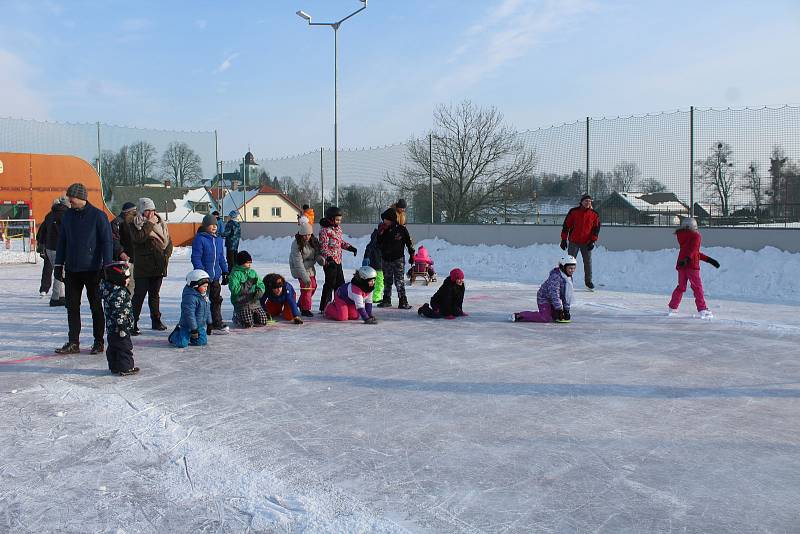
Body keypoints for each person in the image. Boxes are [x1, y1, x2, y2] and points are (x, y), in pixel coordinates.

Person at [54, 183, 113, 355]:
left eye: (71, 198)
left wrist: (106, 265)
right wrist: (58, 265)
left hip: (93, 270)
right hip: (72, 269)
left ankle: (98, 341)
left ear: (81, 198)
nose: (69, 202)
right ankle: (74, 342)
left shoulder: (98, 216)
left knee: (96, 306)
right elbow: (62, 241)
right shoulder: (67, 216)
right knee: (72, 307)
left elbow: (106, 242)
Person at [129, 197, 173, 334]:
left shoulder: (161, 223)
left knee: (155, 295)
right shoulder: (135, 224)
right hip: (143, 266)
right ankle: (132, 322)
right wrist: (149, 224)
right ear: (141, 211)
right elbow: (139, 238)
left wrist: (166, 254)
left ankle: (156, 320)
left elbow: (168, 240)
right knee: (139, 295)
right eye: (147, 211)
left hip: (158, 265)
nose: (151, 214)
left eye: (153, 210)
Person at [668, 217, 719, 319]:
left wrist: (709, 260)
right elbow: (692, 251)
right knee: (697, 288)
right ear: (693, 226)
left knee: (681, 287)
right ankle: (702, 309)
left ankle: (673, 307)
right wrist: (688, 259)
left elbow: (693, 251)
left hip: (681, 264)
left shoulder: (682, 236)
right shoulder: (696, 236)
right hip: (691, 266)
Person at [191, 213, 230, 334]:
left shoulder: (218, 240)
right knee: (204, 302)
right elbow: (196, 257)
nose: (214, 227)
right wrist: (201, 273)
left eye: (216, 224)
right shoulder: (200, 239)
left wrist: (225, 271)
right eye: (211, 225)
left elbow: (221, 258)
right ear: (205, 225)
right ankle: (203, 324)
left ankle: (216, 323)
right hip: (204, 279)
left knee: (216, 300)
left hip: (215, 277)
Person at [99, 261, 138, 375]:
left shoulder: (109, 289)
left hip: (111, 327)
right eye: (126, 278)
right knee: (124, 347)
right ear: (117, 278)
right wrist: (122, 326)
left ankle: (114, 366)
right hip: (120, 327)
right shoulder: (119, 292)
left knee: (113, 347)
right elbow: (119, 311)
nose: (128, 280)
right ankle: (126, 367)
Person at [511, 256, 576, 323]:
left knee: (555, 317)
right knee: (545, 318)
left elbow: (567, 295)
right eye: (570, 268)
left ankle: (553, 311)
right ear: (563, 267)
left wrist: (566, 310)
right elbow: (554, 294)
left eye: (574, 268)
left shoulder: (567, 278)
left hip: (553, 300)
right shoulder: (555, 277)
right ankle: (519, 315)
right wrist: (559, 309)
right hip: (544, 298)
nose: (572, 270)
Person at [318, 206, 357, 312]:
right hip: (329, 262)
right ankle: (324, 306)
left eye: (340, 219)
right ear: (330, 219)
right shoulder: (324, 231)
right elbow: (323, 247)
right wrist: (329, 257)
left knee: (340, 284)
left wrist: (350, 247)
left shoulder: (338, 229)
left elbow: (340, 243)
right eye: (337, 219)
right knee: (330, 283)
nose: (339, 222)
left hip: (338, 261)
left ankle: (339, 303)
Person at [560, 194, 600, 290]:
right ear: (581, 202)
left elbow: (596, 229)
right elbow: (566, 225)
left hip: (587, 243)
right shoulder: (573, 212)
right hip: (574, 241)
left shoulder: (594, 214)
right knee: (570, 262)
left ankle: (588, 282)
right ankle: (568, 281)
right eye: (586, 201)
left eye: (589, 201)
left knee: (588, 262)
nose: (588, 203)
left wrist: (593, 241)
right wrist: (563, 239)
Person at [377, 208, 414, 309]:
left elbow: (409, 243)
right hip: (386, 259)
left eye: (386, 219)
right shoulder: (382, 229)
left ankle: (403, 301)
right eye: (383, 219)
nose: (384, 221)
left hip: (398, 259)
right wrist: (379, 233)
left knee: (399, 280)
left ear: (391, 219)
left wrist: (412, 255)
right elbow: (378, 243)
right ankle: (386, 299)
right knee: (387, 280)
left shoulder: (401, 229)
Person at [169, 269, 213, 348]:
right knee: (182, 344)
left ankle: (192, 337)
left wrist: (209, 323)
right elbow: (190, 315)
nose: (206, 288)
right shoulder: (190, 297)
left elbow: (207, 309)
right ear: (195, 285)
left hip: (199, 325)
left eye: (207, 286)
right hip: (187, 325)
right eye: (204, 286)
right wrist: (193, 329)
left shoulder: (204, 295)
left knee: (202, 342)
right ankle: (175, 334)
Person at [38, 196, 68, 306]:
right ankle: (55, 297)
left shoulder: (49, 215)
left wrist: (41, 246)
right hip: (59, 248)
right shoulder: (66, 215)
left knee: (57, 270)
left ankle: (60, 295)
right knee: (60, 272)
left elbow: (42, 231)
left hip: (49, 247)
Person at [289, 222, 324, 317]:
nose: (307, 237)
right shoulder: (296, 244)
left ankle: (301, 303)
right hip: (298, 268)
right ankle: (305, 309)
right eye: (305, 235)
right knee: (307, 287)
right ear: (301, 234)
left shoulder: (313, 240)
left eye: (309, 234)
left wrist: (320, 259)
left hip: (309, 267)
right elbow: (298, 263)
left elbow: (317, 254)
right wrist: (305, 278)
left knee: (314, 286)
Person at [229, 250, 269, 328]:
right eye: (247, 263)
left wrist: (260, 291)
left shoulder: (252, 272)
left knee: (263, 322)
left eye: (250, 263)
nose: (249, 265)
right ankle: (237, 316)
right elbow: (235, 290)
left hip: (254, 302)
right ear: (241, 263)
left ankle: (253, 315)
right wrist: (249, 283)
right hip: (242, 303)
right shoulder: (235, 274)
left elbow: (260, 284)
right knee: (247, 325)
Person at [110, 201, 137, 295]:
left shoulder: (132, 222)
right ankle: (123, 304)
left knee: (132, 283)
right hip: (121, 259)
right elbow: (114, 240)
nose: (136, 214)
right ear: (127, 213)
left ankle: (129, 304)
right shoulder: (116, 223)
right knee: (123, 282)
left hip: (132, 258)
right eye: (134, 212)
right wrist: (121, 252)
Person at [362, 224, 384, 302]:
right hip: (378, 264)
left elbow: (368, 248)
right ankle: (375, 297)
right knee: (379, 281)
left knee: (373, 281)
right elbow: (369, 248)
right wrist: (366, 258)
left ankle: (370, 296)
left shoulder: (374, 239)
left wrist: (366, 257)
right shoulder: (377, 239)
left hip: (376, 263)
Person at [222, 210, 241, 274]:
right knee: (235, 260)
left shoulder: (230, 223)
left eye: (229, 216)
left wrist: (218, 234)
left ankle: (231, 274)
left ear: (232, 216)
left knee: (230, 260)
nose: (228, 217)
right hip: (236, 244)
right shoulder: (238, 224)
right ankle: (236, 272)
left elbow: (226, 233)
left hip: (230, 244)